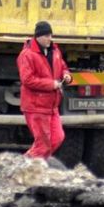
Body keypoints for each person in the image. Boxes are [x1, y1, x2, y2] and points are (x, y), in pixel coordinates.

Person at [16, 21, 72, 161]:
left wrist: (67, 76)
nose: (50, 38)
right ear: (38, 36)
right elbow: (27, 80)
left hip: (52, 106)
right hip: (35, 106)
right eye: (46, 35)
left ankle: (32, 166)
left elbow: (63, 67)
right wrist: (51, 85)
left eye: (51, 35)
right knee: (43, 145)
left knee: (58, 138)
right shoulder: (27, 55)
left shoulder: (55, 51)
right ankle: (23, 168)